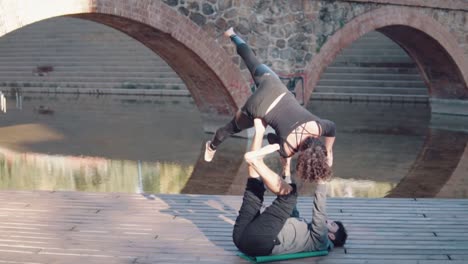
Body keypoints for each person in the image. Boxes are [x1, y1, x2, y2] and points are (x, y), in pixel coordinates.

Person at [205, 27, 336, 171]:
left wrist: (329, 152)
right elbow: (272, 138)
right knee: (231, 129)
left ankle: (232, 34)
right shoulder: (288, 148)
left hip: (274, 87)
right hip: (260, 107)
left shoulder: (318, 127)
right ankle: (211, 146)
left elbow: (332, 128)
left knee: (252, 61)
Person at [232, 118, 347, 256]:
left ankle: (257, 162)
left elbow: (319, 212)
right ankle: (259, 131)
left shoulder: (321, 242)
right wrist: (286, 168)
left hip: (260, 242)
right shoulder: (306, 231)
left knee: (290, 195)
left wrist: (322, 179)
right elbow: (290, 210)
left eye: (332, 225)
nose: (328, 221)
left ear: (332, 236)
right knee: (255, 190)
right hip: (241, 239)